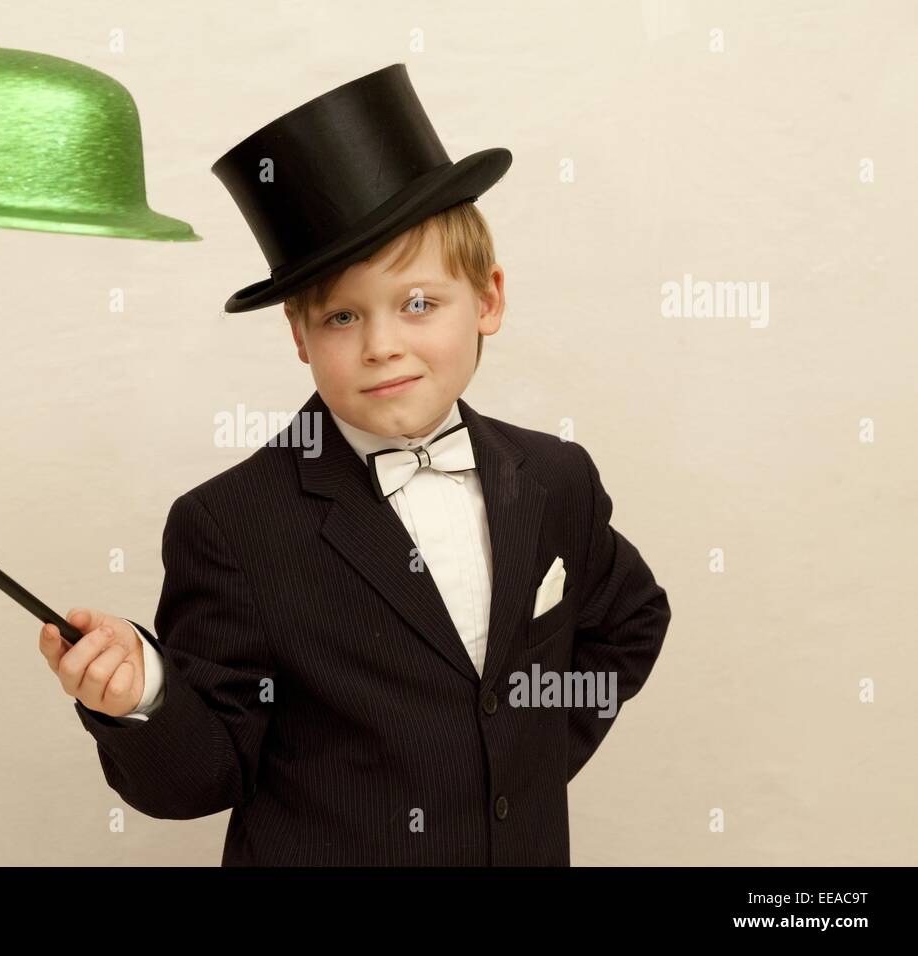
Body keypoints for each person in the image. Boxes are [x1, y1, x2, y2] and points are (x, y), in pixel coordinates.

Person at [40, 64, 670, 865]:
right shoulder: (233, 526)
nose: (381, 345)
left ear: (487, 300)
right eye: (342, 316)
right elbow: (202, 776)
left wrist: (522, 761)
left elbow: (629, 623)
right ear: (300, 338)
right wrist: (143, 699)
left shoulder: (556, 477)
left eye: (418, 303)